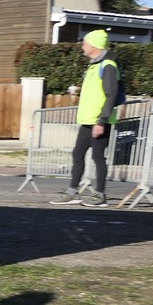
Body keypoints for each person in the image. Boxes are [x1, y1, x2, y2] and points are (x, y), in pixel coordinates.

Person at [50, 29, 121, 208]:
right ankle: (72, 192)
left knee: (98, 157)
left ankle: (100, 195)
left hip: (99, 121)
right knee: (78, 153)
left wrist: (102, 121)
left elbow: (111, 95)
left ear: (94, 46)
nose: (82, 47)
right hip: (88, 120)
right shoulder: (94, 65)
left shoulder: (108, 66)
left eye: (85, 44)